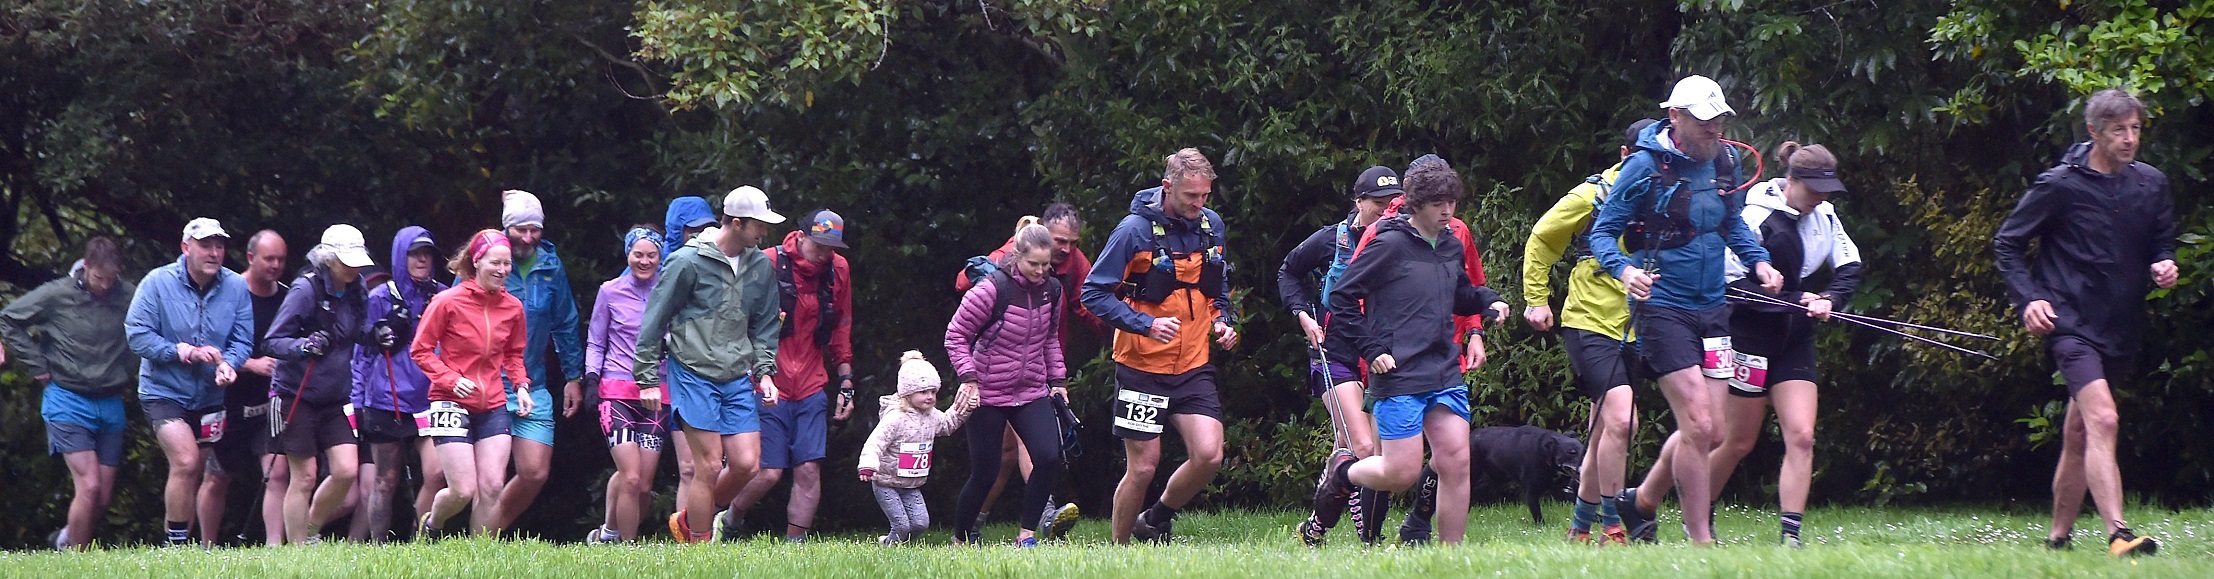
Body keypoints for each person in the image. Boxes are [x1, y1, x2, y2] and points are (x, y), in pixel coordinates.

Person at [1591, 75, 1782, 546]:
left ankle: (1642, 501)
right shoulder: (1643, 167)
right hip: (1663, 307)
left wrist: (1760, 262)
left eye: (1718, 119)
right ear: (1675, 117)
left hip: (1713, 307)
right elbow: (1601, 233)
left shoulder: (1726, 161)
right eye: (1703, 121)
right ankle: (1701, 542)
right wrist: (1624, 271)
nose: (1714, 129)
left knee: (1713, 432)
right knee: (1697, 424)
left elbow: (1732, 224)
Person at [1993, 89, 2175, 557]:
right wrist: (2029, 299)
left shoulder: (2152, 184)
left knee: (2079, 433)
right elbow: (2008, 243)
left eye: (2135, 129)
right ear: (2094, 132)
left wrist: (2164, 264)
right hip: (2068, 323)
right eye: (2119, 130)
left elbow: (2161, 242)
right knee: (2105, 418)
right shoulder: (2059, 185)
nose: (2130, 139)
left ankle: (2057, 539)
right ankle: (2118, 534)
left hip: (2122, 325)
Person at [1314, 155, 1505, 545]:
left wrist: (1488, 301)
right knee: (1401, 474)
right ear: (1416, 203)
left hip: (1443, 368)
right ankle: (1343, 474)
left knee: (1456, 460)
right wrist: (1372, 347)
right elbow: (1342, 298)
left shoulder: (1450, 243)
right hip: (1398, 373)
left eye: (1451, 203)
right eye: (1438, 204)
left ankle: (1452, 559)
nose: (1447, 211)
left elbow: (1461, 295)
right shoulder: (1389, 243)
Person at [1698, 142, 1863, 548]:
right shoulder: (1755, 215)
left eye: (1827, 190)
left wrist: (1829, 300)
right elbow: (1735, 285)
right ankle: (1699, 514)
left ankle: (1791, 536)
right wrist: (1797, 300)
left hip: (1795, 338)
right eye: (1813, 189)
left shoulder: (1825, 214)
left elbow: (1849, 265)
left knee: (1803, 435)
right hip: (1750, 337)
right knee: (1738, 442)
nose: (1821, 199)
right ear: (1791, 180)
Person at [1081, 148, 1239, 544]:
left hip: (1192, 365)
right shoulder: (1133, 230)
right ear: (1168, 187)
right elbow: (1093, 294)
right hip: (1142, 365)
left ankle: (1155, 518)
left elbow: (1216, 287)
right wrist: (1145, 325)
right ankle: (1116, 552)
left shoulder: (1210, 225)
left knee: (1209, 455)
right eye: (1191, 196)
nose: (1199, 204)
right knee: (1144, 467)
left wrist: (1222, 322)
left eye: (1205, 195)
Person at [1519, 119, 1656, 546]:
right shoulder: (1592, 194)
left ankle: (1579, 526)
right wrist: (1536, 298)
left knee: (1606, 429)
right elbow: (1542, 238)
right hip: (1589, 322)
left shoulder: (1670, 195)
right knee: (1623, 420)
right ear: (1624, 155)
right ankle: (1613, 524)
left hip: (1638, 327)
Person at [637, 185, 784, 544]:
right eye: (758, 226)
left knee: (748, 464)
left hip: (735, 374)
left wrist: (765, 373)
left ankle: (689, 520)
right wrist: (646, 378)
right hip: (692, 372)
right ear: (736, 223)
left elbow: (765, 325)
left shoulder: (760, 265)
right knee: (708, 465)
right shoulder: (688, 261)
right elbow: (655, 320)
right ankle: (700, 548)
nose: (764, 232)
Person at [954, 205, 1101, 538]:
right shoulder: (995, 285)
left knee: (1047, 455)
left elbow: (1056, 334)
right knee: (988, 471)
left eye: (1046, 265)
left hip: (1032, 384)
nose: (1041, 270)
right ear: (1018, 255)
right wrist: (968, 378)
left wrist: (1058, 381)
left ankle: (1028, 534)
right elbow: (956, 332)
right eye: (1033, 264)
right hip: (989, 387)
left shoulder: (1056, 284)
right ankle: (961, 537)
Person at [1278, 165, 1402, 546]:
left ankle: (1313, 531)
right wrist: (1302, 316)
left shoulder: (1400, 239)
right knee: (1364, 447)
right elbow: (1288, 271)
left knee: (1349, 450)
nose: (1385, 211)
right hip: (1335, 352)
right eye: (1377, 204)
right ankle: (1369, 537)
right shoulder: (1332, 239)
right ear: (1358, 201)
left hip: (1380, 354)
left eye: (1391, 203)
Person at [719, 209, 855, 543]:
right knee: (767, 472)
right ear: (802, 235)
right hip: (766, 381)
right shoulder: (766, 262)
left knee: (809, 468)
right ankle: (730, 522)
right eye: (819, 244)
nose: (825, 253)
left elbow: (841, 326)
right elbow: (737, 320)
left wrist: (847, 380)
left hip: (811, 381)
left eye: (831, 246)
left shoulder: (838, 269)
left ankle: (795, 546)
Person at [125, 217, 257, 546]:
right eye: (205, 245)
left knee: (194, 469)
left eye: (220, 245)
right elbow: (137, 335)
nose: (214, 252)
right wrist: (182, 351)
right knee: (184, 460)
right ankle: (177, 546)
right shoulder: (157, 282)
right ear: (186, 248)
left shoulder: (237, 286)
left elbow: (243, 341)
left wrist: (230, 364)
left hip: (210, 396)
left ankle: (185, 547)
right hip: (163, 390)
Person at [2, 237, 136, 550]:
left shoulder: (129, 295)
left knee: (101, 496)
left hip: (110, 398)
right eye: (98, 278)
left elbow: (155, 323)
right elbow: (8, 319)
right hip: (67, 398)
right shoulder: (57, 293)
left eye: (110, 278)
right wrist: (37, 364)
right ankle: (77, 560)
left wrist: (132, 364)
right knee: (88, 486)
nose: (104, 285)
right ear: (86, 267)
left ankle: (65, 539)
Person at [264, 224, 384, 544]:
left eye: (357, 261)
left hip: (333, 397)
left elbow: (356, 333)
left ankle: (310, 528)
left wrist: (378, 334)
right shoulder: (306, 290)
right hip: (296, 393)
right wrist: (304, 345)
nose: (354, 267)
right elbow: (272, 342)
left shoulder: (356, 288)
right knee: (303, 477)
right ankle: (297, 552)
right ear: (328, 259)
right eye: (346, 261)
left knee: (346, 471)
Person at [412, 230, 531, 537]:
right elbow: (420, 350)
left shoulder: (513, 307)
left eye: (507, 264)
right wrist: (451, 379)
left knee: (492, 486)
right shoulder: (447, 301)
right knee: (462, 491)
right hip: (449, 400)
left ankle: (479, 554)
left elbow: (514, 354)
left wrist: (520, 386)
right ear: (477, 262)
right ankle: (432, 525)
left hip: (492, 403)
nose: (502, 270)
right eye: (495, 263)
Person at [492, 190, 585, 531]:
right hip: (486, 383)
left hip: (533, 382)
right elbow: (452, 319)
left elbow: (565, 322)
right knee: (489, 475)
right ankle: (478, 542)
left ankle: (487, 531)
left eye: (535, 229)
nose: (528, 237)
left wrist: (574, 376)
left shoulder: (550, 264)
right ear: (506, 229)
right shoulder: (487, 259)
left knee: (534, 472)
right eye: (520, 230)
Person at [349, 226, 449, 542]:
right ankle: (380, 546)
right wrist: (358, 400)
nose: (422, 259)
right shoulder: (380, 296)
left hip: (430, 398)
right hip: (385, 398)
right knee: (385, 479)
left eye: (427, 253)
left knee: (436, 473)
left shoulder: (443, 295)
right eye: (414, 253)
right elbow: (361, 352)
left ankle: (419, 541)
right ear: (400, 255)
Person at [193, 230, 292, 546]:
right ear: (251, 258)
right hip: (228, 401)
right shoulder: (227, 293)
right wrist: (251, 364)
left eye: (281, 259)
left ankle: (275, 548)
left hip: (271, 403)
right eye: (269, 259)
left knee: (277, 474)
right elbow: (205, 344)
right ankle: (206, 547)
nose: (276, 265)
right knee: (217, 477)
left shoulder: (288, 297)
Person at [583, 226, 672, 544]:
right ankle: (628, 549)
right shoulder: (610, 291)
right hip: (616, 391)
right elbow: (596, 341)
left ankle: (609, 535)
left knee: (644, 485)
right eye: (638, 255)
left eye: (652, 256)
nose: (645, 261)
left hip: (657, 395)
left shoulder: (670, 290)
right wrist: (591, 380)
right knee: (631, 477)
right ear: (628, 255)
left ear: (661, 257)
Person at [858, 351, 976, 545]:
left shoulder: (932, 415)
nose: (929, 397)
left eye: (933, 392)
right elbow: (876, 441)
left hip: (911, 485)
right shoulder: (895, 417)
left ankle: (897, 544)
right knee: (902, 525)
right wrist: (868, 465)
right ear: (907, 393)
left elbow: (947, 424)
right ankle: (891, 547)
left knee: (920, 524)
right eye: (923, 392)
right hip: (886, 483)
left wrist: (965, 408)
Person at [660, 196, 718, 524]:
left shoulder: (717, 266)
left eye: (707, 228)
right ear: (677, 231)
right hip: (675, 375)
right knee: (688, 466)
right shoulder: (663, 267)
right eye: (692, 230)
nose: (700, 235)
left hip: (714, 371)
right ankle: (687, 537)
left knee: (711, 463)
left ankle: (703, 530)